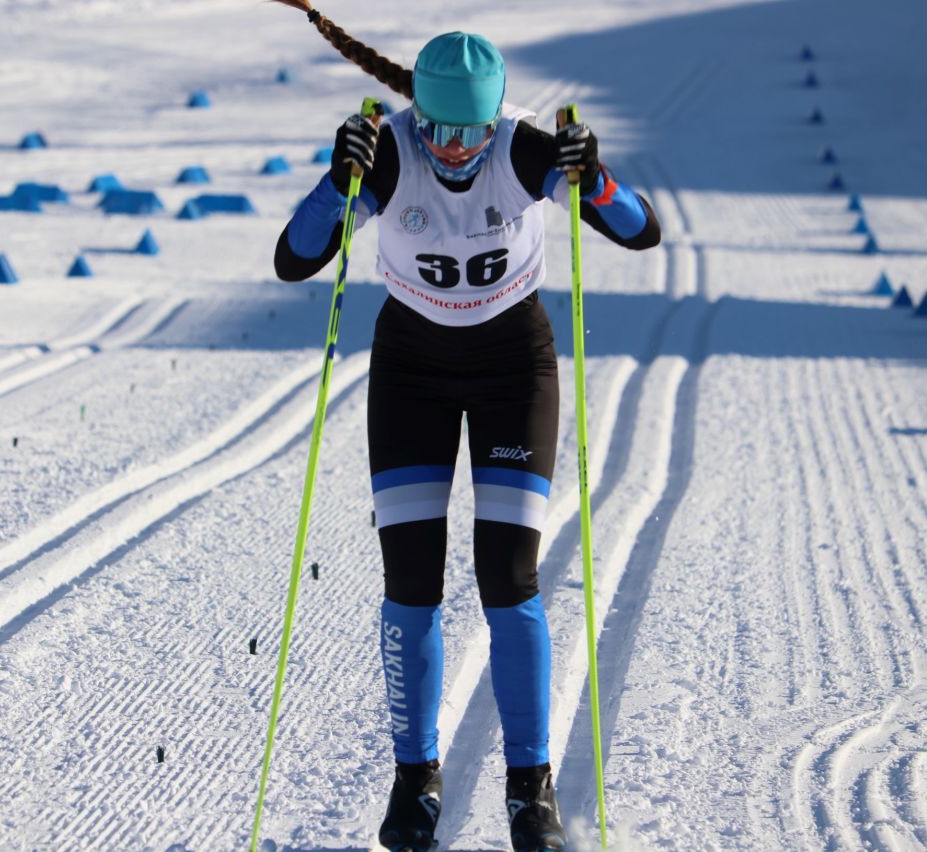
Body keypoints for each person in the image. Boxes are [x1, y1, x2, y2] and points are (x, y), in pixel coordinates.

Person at [272, 7, 660, 851]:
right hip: (410, 369)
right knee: (410, 581)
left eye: (469, 130)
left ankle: (531, 789)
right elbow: (295, 257)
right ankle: (416, 780)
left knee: (508, 576)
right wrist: (337, 179)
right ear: (415, 112)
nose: (452, 147)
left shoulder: (521, 149)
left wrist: (592, 178)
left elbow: (639, 230)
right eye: (436, 126)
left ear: (495, 117)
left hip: (512, 369)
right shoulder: (395, 151)